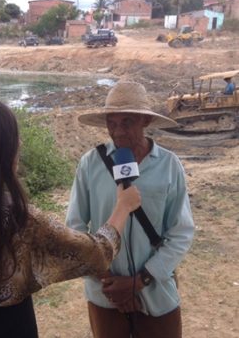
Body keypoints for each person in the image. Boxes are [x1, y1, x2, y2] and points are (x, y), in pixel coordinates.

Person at [0, 97, 141, 338]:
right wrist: (123, 207)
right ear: (0, 151)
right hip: (12, 327)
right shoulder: (21, 220)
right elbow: (96, 254)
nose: (20, 144)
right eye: (14, 139)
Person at [66, 81, 194, 338]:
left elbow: (181, 232)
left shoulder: (169, 165)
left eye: (127, 122)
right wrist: (109, 282)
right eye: (112, 123)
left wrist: (140, 281)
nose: (118, 132)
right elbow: (75, 229)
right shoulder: (90, 164)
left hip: (156, 292)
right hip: (104, 294)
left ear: (145, 121)